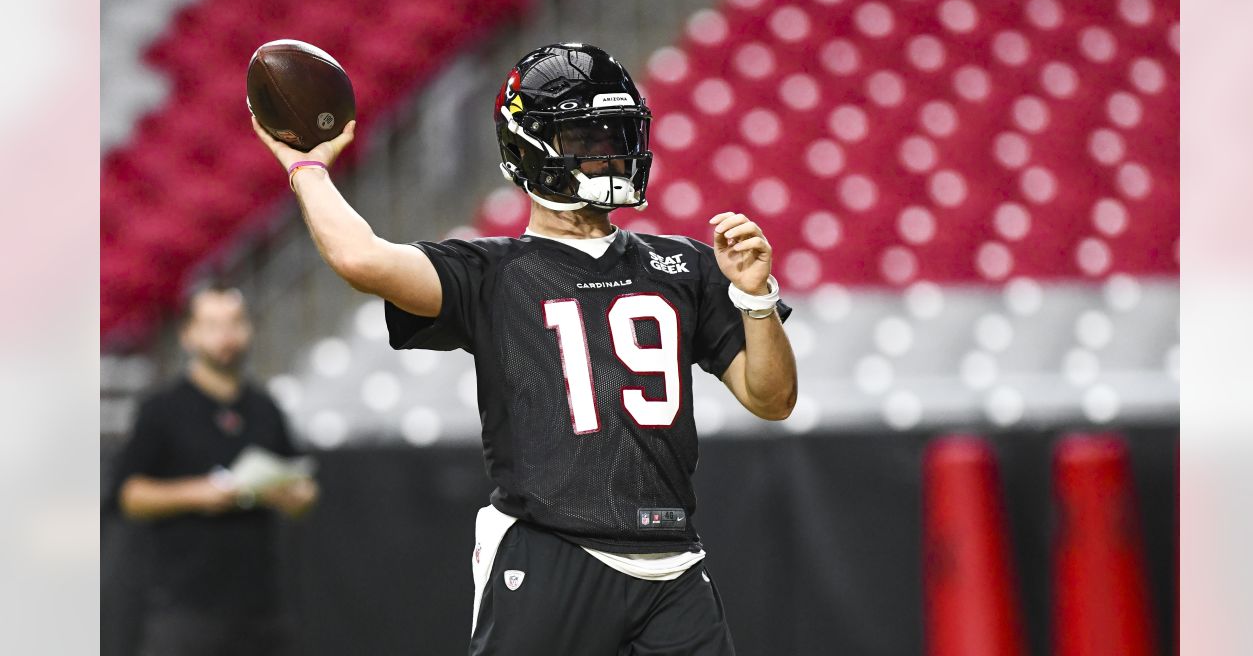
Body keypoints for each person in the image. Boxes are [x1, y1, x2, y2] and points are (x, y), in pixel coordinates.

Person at [252, 42, 798, 655]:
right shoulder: (492, 271)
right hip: (550, 550)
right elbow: (361, 257)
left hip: (671, 559)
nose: (608, 153)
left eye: (615, 134)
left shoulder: (683, 263)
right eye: (584, 140)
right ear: (528, 151)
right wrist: (308, 169)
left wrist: (755, 300)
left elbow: (772, 398)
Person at [111, 285, 318, 656]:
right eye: (212, 325)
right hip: (185, 610)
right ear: (188, 335)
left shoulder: (265, 408)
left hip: (262, 611)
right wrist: (201, 492)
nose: (226, 335)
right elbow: (129, 496)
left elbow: (304, 492)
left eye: (235, 323)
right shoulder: (162, 409)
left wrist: (285, 493)